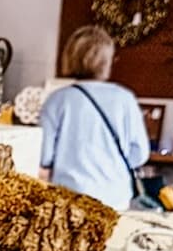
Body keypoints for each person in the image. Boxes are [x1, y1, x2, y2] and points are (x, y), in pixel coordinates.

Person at [39, 25, 150, 211]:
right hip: (116, 197)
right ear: (108, 61)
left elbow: (44, 155)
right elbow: (140, 153)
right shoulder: (125, 98)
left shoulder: (57, 100)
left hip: (69, 197)